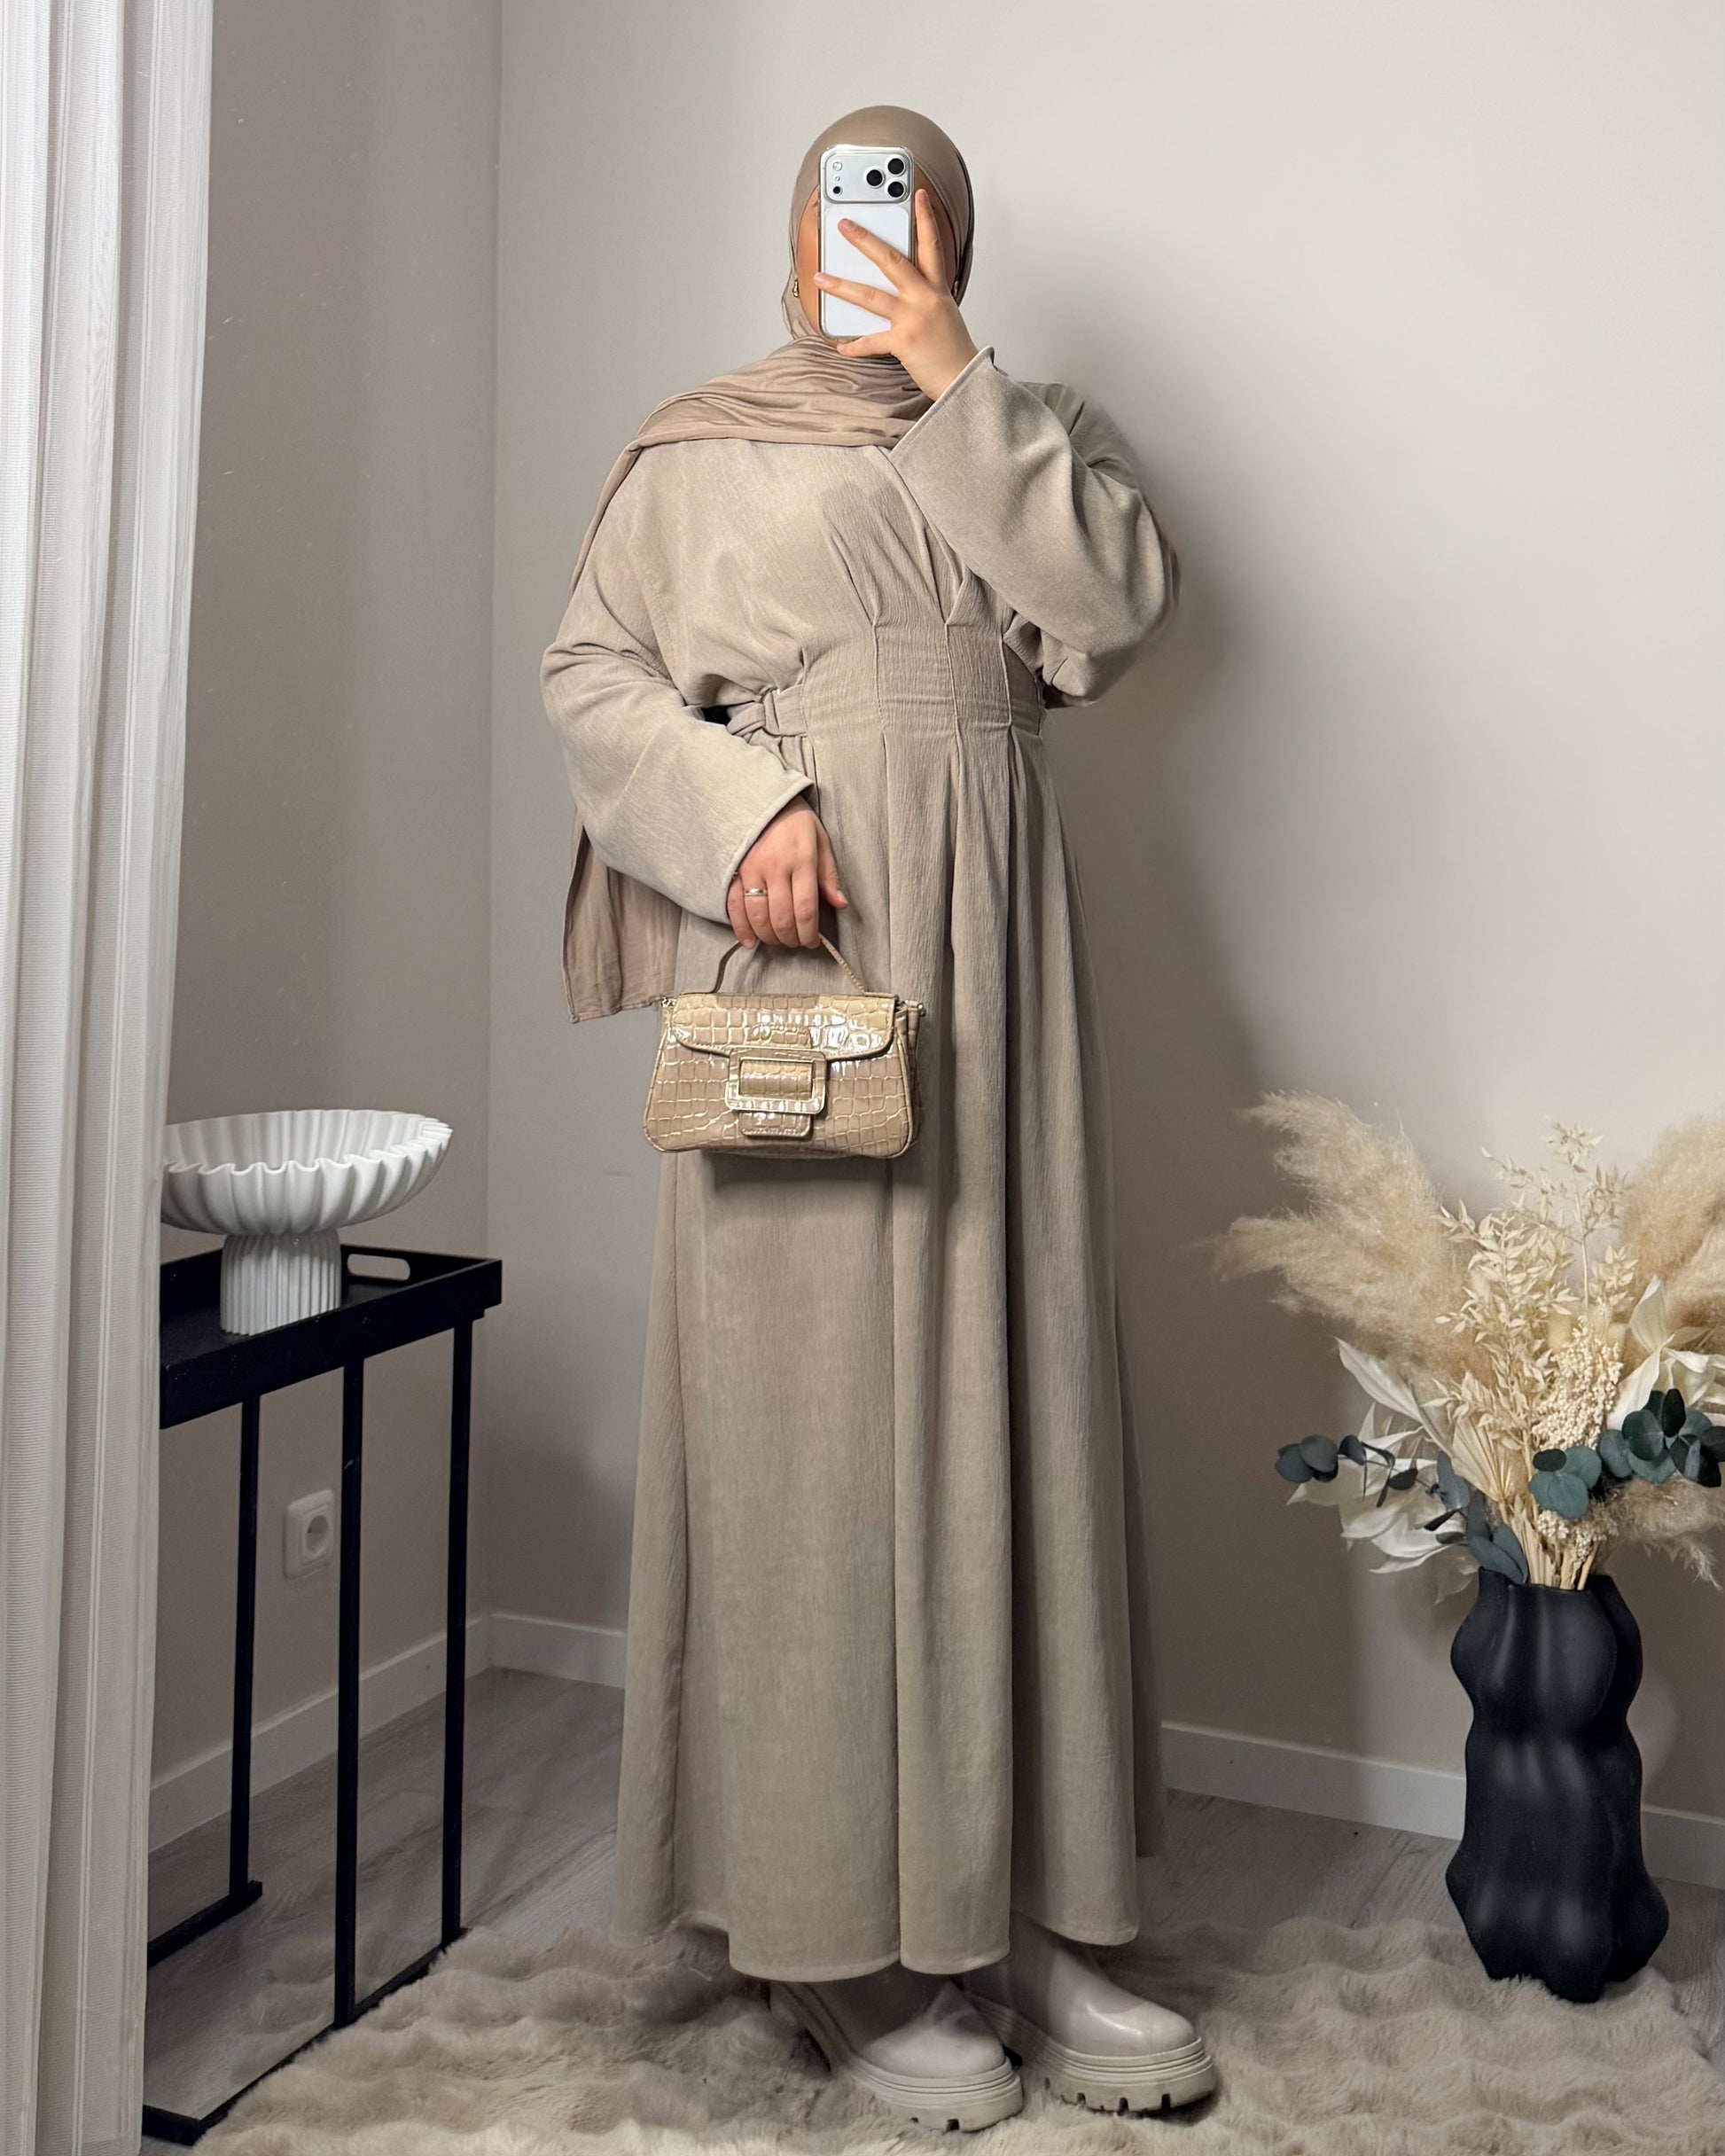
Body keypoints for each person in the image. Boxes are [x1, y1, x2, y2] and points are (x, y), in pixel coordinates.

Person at [540, 104, 1214, 2131]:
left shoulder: (1032, 430)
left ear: (954, 239)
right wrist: (737, 808)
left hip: (1004, 979)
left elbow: (1111, 609)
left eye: (908, 208)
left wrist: (943, 370)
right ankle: (831, 1938)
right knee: (811, 1438)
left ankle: (1032, 1909)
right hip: (804, 962)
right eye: (845, 203)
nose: (873, 235)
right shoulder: (695, 450)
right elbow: (593, 679)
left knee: (1020, 1410)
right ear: (792, 233)